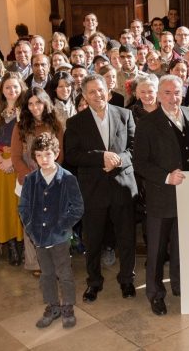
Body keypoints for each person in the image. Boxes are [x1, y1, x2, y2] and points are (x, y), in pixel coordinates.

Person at [64, 74, 138, 303]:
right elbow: (71, 156)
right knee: (93, 239)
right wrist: (101, 157)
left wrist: (119, 160)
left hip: (122, 187)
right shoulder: (75, 122)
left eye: (100, 90)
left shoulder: (125, 115)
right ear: (84, 96)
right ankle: (94, 282)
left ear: (108, 91)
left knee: (126, 238)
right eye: (92, 92)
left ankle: (127, 279)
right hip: (93, 190)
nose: (97, 95)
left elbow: (135, 148)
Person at [133, 75, 189, 316]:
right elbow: (140, 162)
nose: (173, 98)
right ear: (159, 96)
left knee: (183, 246)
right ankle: (155, 294)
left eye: (177, 92)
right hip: (162, 196)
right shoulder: (148, 124)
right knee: (157, 250)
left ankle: (180, 286)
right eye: (167, 93)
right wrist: (166, 177)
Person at [19, 133, 84, 329]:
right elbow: (23, 208)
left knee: (64, 272)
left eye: (47, 154)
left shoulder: (67, 179)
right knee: (46, 273)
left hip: (60, 237)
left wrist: (63, 226)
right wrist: (31, 228)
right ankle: (53, 306)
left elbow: (78, 207)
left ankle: (68, 307)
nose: (43, 159)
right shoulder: (30, 180)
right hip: (39, 237)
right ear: (34, 157)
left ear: (56, 154)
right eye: (39, 155)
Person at [12, 87, 65, 276]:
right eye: (31, 103)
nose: (35, 107)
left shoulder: (56, 125)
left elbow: (60, 155)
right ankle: (35, 263)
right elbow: (16, 157)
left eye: (38, 102)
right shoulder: (20, 126)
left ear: (45, 103)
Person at [0, 72, 27, 264]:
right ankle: (11, 246)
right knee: (3, 207)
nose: (12, 90)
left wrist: (13, 160)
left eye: (15, 86)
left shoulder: (27, 109)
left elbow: (29, 138)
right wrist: (1, 160)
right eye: (7, 87)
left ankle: (22, 244)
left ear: (21, 88)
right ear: (2, 90)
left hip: (21, 162)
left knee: (19, 205)